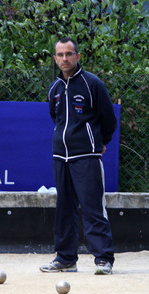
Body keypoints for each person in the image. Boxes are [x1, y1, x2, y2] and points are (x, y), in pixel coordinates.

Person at [40, 37, 117, 275]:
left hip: (87, 157)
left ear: (78, 56)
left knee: (93, 207)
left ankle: (103, 259)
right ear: (55, 58)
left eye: (69, 54)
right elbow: (57, 118)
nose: (65, 59)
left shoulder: (92, 84)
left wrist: (100, 143)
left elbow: (109, 120)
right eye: (60, 55)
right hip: (60, 157)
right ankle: (65, 258)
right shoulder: (54, 88)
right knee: (64, 208)